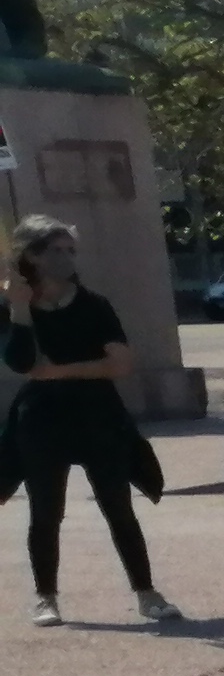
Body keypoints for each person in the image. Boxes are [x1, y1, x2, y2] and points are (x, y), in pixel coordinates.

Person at [5, 212, 170, 625]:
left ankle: (147, 594)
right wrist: (21, 310)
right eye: (56, 250)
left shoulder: (94, 304)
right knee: (45, 510)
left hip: (97, 414)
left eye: (70, 250)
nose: (66, 258)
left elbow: (120, 364)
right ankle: (46, 597)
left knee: (118, 505)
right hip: (42, 419)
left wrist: (58, 370)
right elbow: (23, 363)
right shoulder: (14, 305)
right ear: (33, 256)